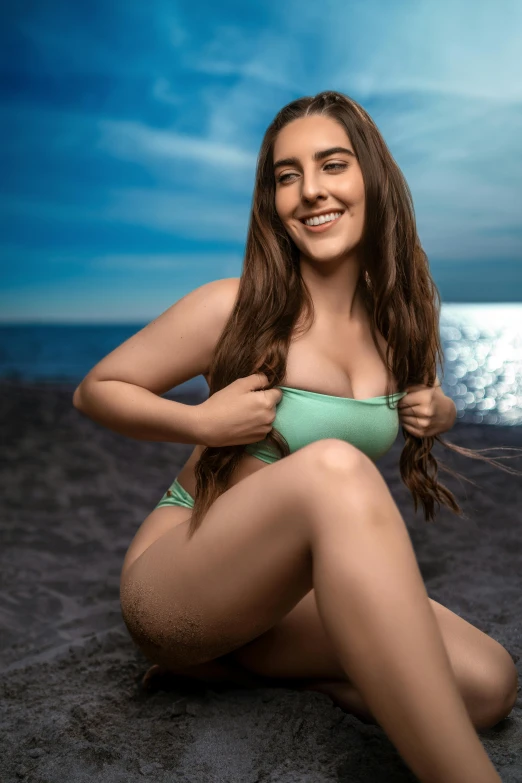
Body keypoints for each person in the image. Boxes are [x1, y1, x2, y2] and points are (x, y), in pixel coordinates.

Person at [73, 91, 521, 782]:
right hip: (180, 581)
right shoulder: (234, 305)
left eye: (332, 164)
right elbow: (96, 389)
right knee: (336, 468)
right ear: (272, 198)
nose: (310, 190)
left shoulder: (400, 320)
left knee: (490, 684)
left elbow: (421, 403)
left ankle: (236, 674)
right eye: (286, 175)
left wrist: (442, 412)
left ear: (371, 178)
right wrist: (199, 421)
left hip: (279, 601)